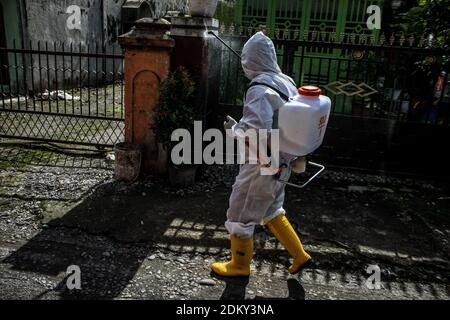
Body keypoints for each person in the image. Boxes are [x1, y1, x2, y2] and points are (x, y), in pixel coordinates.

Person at [211, 32, 312, 277]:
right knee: (272, 209)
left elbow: (256, 131)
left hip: (263, 162)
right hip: (284, 159)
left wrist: (234, 130)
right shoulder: (284, 80)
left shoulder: (258, 88)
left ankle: (239, 266)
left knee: (240, 212)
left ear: (250, 61)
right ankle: (300, 255)